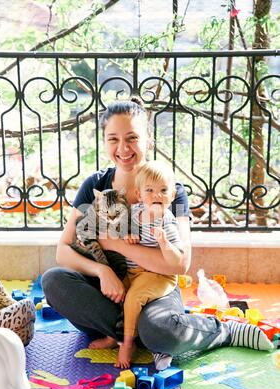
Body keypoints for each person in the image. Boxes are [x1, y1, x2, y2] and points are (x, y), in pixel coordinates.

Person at [42, 97, 273, 372]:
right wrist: (103, 272)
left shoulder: (168, 187)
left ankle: (219, 331)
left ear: (148, 140)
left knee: (158, 327)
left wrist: (116, 244)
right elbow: (64, 250)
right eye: (113, 139)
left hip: (154, 288)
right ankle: (138, 333)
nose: (123, 148)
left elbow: (179, 263)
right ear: (104, 142)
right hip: (111, 293)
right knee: (54, 280)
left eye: (132, 138)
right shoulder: (96, 184)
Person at [104, 160, 184, 369]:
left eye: (163, 190)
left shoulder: (167, 222)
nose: (156, 195)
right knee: (116, 295)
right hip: (134, 272)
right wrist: (129, 235)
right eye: (150, 190)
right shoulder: (135, 212)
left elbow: (177, 262)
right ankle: (114, 337)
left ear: (172, 195)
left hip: (158, 276)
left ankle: (127, 344)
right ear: (139, 195)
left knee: (133, 299)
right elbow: (120, 233)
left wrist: (165, 244)